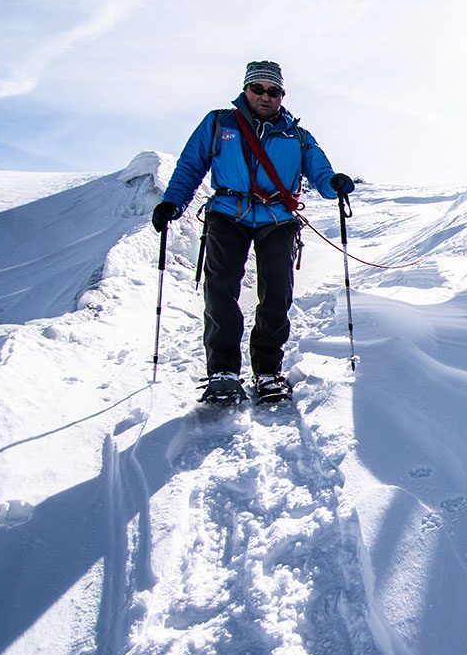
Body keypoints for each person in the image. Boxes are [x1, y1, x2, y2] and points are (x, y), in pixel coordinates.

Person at [150, 60, 354, 405]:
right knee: (220, 291)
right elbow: (191, 164)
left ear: (282, 95)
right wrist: (173, 202)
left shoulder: (297, 136)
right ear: (245, 89)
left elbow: (320, 171)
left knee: (276, 294)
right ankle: (223, 372)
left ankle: (268, 370)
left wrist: (333, 184)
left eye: (273, 91)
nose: (265, 96)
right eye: (258, 88)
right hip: (227, 213)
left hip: (277, 218)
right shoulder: (219, 123)